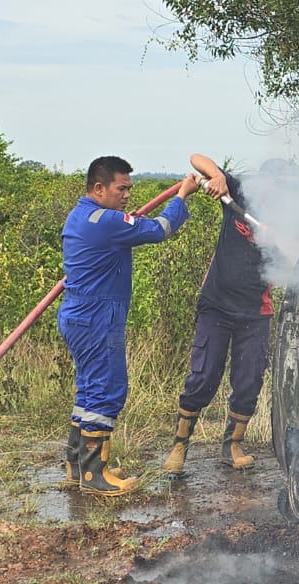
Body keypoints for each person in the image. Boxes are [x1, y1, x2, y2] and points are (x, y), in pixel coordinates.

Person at [61, 156, 200, 496]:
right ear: (99, 188)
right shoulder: (106, 222)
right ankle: (95, 476)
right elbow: (160, 229)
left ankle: (77, 466)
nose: (127, 195)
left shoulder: (83, 215)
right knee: (107, 389)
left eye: (129, 189)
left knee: (89, 390)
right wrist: (182, 196)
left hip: (80, 314)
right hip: (96, 317)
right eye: (121, 188)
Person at [161, 154, 294, 474]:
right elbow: (196, 158)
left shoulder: (292, 218)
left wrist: (283, 244)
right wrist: (217, 177)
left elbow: (296, 261)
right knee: (203, 377)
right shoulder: (239, 192)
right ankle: (179, 447)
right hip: (217, 304)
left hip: (256, 311)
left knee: (249, 380)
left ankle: (232, 445)